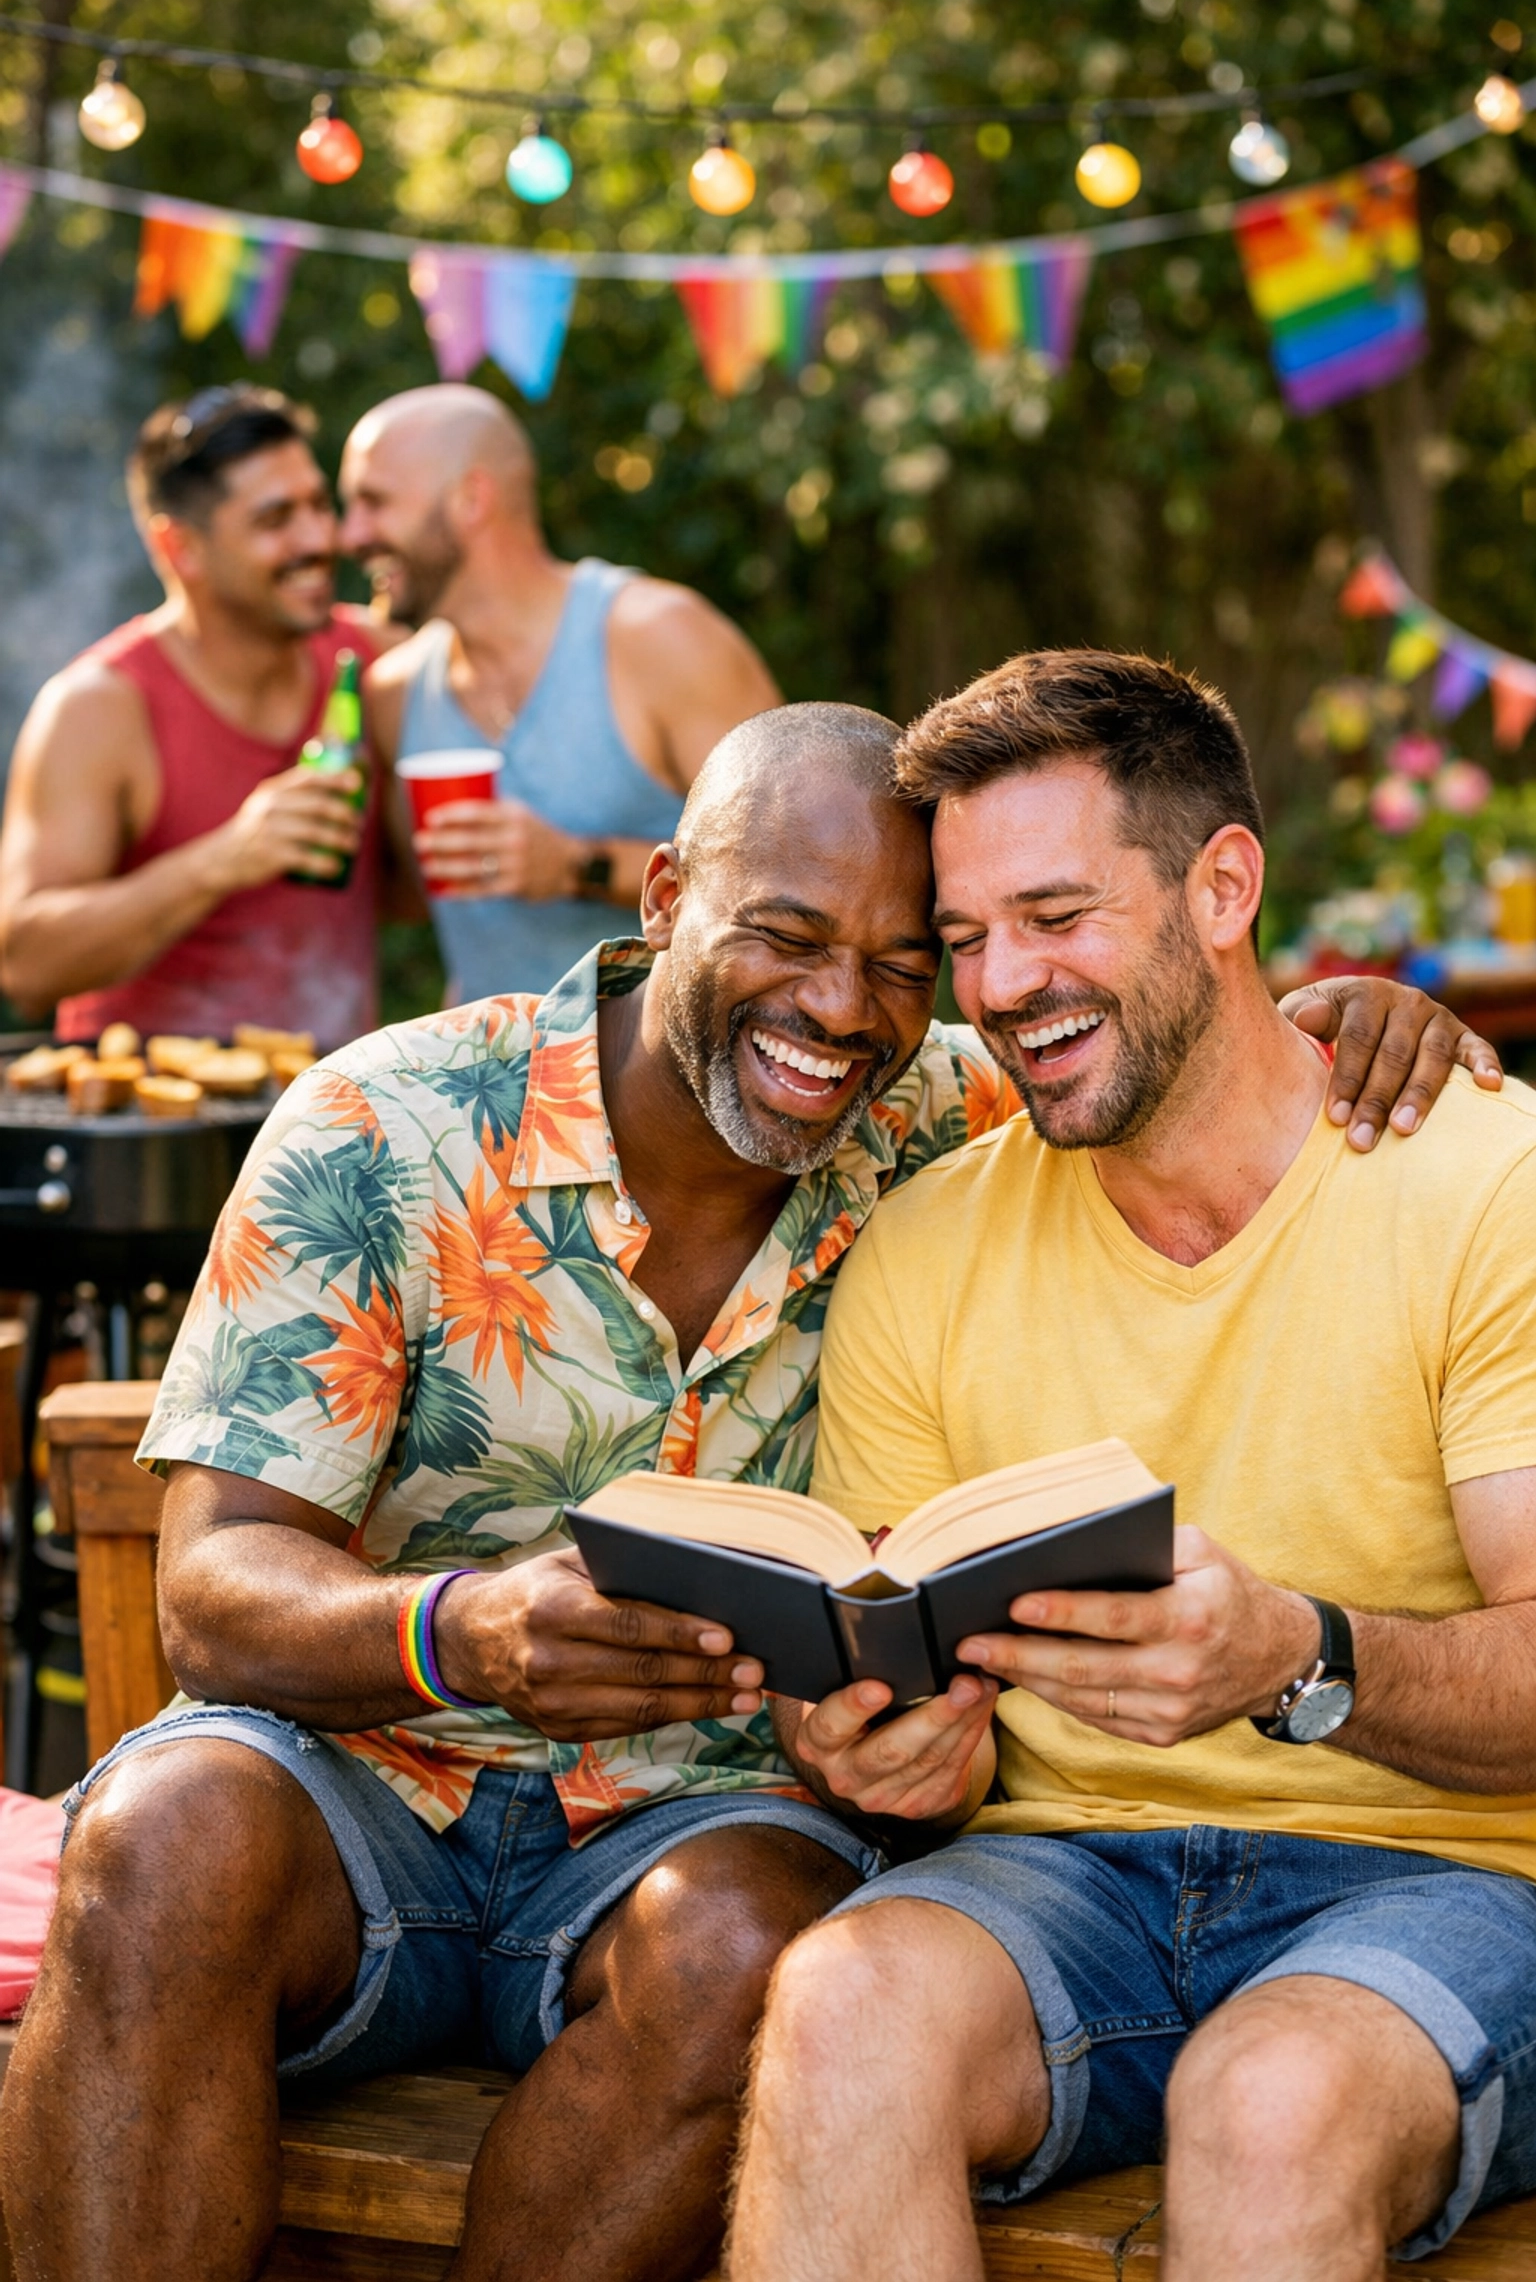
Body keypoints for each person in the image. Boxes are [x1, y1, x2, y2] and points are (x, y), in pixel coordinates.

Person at [0, 699, 1492, 2282]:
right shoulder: (389, 1127)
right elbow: (214, 1591)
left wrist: (1343, 1017)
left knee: (746, 1945)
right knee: (167, 1836)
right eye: (782, 936)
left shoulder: (937, 1121)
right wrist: (471, 1632)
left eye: (907, 962)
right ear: (663, 903)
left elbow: (1156, 1041)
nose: (840, 1009)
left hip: (711, 1829)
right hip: (372, 1790)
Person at [725, 653, 1536, 2282]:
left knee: (1275, 2092)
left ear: (1222, 885)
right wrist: (883, 1744)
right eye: (964, 940)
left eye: (1057, 913)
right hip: (1065, 1867)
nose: (1003, 980)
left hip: (1455, 1872)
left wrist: (1304, 1657)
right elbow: (904, 1667)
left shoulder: (1485, 1183)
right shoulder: (928, 1233)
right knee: (838, 2006)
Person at [338, 382, 781, 1001]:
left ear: (472, 499)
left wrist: (578, 864)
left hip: (678, 1085)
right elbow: (411, 897)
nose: (349, 535)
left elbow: (794, 869)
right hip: (493, 1082)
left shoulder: (661, 640)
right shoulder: (394, 694)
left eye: (373, 503)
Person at [0, 385, 395, 1053]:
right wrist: (227, 857)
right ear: (180, 547)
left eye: (318, 506)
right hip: (149, 1129)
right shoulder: (98, 707)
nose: (319, 539)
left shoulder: (378, 665)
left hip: (338, 1124)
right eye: (275, 520)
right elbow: (24, 964)